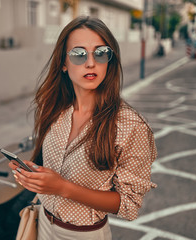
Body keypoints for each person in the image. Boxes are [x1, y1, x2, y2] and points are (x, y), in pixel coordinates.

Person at [9, 16, 157, 240]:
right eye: (79, 54)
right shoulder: (55, 110)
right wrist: (33, 175)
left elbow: (128, 204)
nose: (90, 63)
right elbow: (49, 170)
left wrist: (62, 187)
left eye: (100, 53)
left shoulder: (130, 126)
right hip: (42, 226)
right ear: (63, 64)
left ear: (110, 60)